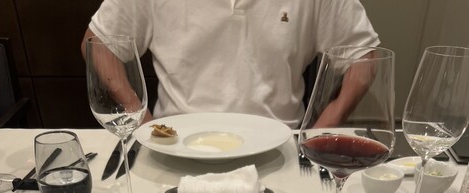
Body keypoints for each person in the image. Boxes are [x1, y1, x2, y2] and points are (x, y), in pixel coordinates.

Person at [81, 0, 379, 129]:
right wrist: (140, 121)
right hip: (173, 145)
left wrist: (321, 130)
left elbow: (364, 56)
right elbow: (97, 44)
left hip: (281, 150)